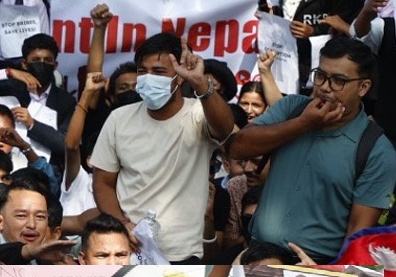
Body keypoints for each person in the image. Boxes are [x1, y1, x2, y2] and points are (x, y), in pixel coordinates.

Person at [230, 36, 395, 262]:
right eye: (321, 76)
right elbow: (238, 147)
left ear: (363, 87)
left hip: (314, 268)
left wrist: (330, 276)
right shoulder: (292, 109)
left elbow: (357, 233)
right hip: (259, 255)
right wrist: (302, 124)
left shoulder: (377, 150)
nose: (325, 87)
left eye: (338, 80)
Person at [92, 34, 235, 262]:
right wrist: (122, 225)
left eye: (159, 72)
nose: (148, 79)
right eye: (142, 71)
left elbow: (225, 128)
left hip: (184, 254)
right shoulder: (119, 119)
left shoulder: (199, 113)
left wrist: (200, 82)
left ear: (179, 77)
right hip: (130, 252)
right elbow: (102, 182)